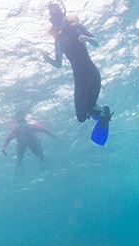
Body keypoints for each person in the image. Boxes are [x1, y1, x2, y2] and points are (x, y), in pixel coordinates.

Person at [42, 2, 112, 145]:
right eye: (53, 21)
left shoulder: (77, 28)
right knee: (81, 117)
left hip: (90, 73)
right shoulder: (59, 40)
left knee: (88, 107)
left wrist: (86, 38)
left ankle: (103, 112)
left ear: (64, 15)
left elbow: (97, 42)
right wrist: (47, 59)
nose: (57, 23)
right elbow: (59, 64)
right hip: (78, 78)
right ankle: (98, 110)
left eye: (58, 18)